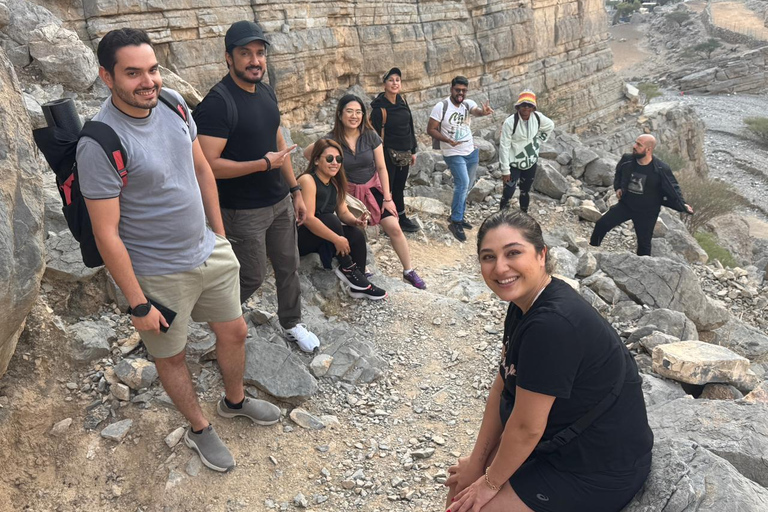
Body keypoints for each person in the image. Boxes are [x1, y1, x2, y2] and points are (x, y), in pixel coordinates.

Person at [77, 28, 280, 474]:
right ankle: (200, 427)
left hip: (209, 251)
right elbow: (107, 233)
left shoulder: (171, 102)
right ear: (106, 77)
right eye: (132, 73)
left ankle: (235, 401)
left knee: (236, 332)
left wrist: (220, 235)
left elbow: (202, 168)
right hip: (158, 274)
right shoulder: (100, 141)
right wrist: (137, 302)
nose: (147, 81)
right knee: (171, 356)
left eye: (152, 69)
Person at [445, 209, 653, 512]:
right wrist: (477, 463)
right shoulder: (523, 305)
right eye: (488, 257)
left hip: (594, 466)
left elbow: (527, 427)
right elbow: (502, 386)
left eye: (513, 253)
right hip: (555, 443)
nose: (500, 268)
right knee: (460, 486)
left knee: (474, 507)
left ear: (541, 254)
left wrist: (488, 483)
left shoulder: (552, 324)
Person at [194, 20, 320, 352]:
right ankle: (214, 323)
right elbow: (207, 165)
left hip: (279, 201)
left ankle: (292, 323)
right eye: (245, 53)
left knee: (288, 266)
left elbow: (278, 140)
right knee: (250, 276)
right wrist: (262, 164)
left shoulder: (264, 90)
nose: (254, 60)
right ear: (228, 58)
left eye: (260, 53)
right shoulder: (217, 104)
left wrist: (294, 191)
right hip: (242, 210)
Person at [303, 94, 427, 290]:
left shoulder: (370, 135)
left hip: (372, 187)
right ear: (340, 114)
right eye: (349, 111)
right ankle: (362, 265)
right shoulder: (331, 138)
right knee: (356, 228)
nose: (354, 116)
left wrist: (388, 198)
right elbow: (308, 153)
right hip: (347, 192)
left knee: (393, 226)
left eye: (359, 112)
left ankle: (408, 270)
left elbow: (382, 167)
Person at [297, 139, 388, 300]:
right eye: (329, 159)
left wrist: (355, 221)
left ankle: (359, 284)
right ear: (316, 160)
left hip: (319, 235)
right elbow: (309, 219)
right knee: (329, 219)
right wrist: (337, 239)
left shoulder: (335, 183)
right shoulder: (308, 180)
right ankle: (347, 267)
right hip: (299, 237)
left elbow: (342, 212)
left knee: (356, 235)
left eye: (339, 159)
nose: (335, 163)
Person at [589, 134, 694, 256]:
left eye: (639, 145)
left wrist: (682, 204)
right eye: (636, 143)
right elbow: (619, 174)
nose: (634, 146)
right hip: (626, 206)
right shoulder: (627, 160)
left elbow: (673, 187)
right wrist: (618, 188)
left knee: (644, 244)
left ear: (648, 149)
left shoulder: (660, 168)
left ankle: (642, 267)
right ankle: (592, 251)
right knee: (601, 224)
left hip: (647, 213)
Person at [427, 75, 494, 242]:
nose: (461, 93)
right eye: (458, 90)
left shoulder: (467, 103)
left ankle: (459, 216)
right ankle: (455, 220)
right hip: (453, 152)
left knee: (468, 186)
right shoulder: (441, 106)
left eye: (464, 90)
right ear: (451, 89)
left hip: (470, 151)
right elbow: (431, 129)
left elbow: (476, 111)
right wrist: (447, 140)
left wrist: (483, 113)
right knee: (462, 183)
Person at [370, 67, 420, 233]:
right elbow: (374, 135)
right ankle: (387, 221)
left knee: (399, 187)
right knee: (386, 189)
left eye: (397, 80)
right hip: (386, 154)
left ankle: (401, 217)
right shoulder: (379, 109)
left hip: (404, 152)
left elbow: (410, 125)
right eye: (391, 80)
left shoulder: (403, 101)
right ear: (384, 84)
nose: (394, 83)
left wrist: (413, 150)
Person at [498, 90, 555, 212]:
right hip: (514, 163)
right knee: (508, 191)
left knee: (525, 191)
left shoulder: (538, 117)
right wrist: (505, 170)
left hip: (530, 162)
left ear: (533, 108)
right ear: (518, 106)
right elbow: (504, 146)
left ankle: (524, 214)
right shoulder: (510, 122)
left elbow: (550, 125)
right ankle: (501, 215)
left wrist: (538, 140)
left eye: (529, 105)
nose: (526, 108)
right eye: (523, 105)